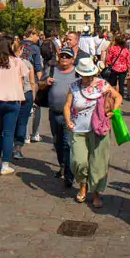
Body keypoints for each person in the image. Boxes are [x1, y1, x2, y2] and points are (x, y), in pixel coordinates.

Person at [63, 57, 122, 207]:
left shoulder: (102, 84)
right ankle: (83, 185)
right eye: (85, 75)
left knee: (98, 163)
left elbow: (118, 97)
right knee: (78, 160)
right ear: (80, 74)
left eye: (90, 75)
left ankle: (96, 193)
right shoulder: (74, 86)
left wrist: (114, 111)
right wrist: (68, 120)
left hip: (99, 129)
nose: (88, 78)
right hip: (78, 128)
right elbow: (67, 105)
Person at [0, 35, 27, 176]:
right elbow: (22, 81)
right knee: (9, 133)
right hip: (13, 99)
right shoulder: (17, 62)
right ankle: (5, 164)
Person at [39, 46, 79, 187]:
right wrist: (45, 83)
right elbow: (40, 85)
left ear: (73, 59)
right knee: (57, 142)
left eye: (67, 56)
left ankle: (69, 174)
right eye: (62, 56)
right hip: (54, 112)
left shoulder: (77, 73)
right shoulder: (51, 70)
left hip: (71, 115)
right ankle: (63, 166)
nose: (64, 58)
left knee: (68, 143)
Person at [12, 40, 36, 160]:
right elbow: (32, 82)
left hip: (12, 95)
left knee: (11, 122)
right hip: (26, 94)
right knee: (22, 122)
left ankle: (9, 144)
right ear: (21, 50)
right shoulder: (27, 63)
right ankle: (17, 148)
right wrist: (34, 96)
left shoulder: (8, 62)